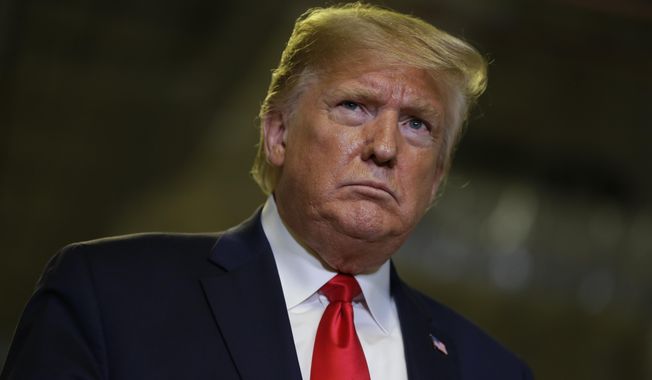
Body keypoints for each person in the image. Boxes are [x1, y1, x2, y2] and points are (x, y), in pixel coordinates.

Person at [1, 3, 532, 379]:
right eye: (355, 107)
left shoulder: (491, 370)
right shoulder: (110, 295)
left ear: (435, 179)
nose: (384, 147)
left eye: (418, 124)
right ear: (278, 134)